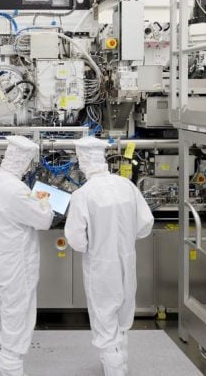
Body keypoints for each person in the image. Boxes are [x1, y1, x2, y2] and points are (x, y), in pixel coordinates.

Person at [64, 137, 154, 376]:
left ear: (83, 161)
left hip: (101, 266)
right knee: (123, 317)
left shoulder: (83, 195)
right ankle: (120, 364)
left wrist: (96, 242)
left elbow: (76, 241)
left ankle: (115, 369)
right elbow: (145, 225)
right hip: (127, 260)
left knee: (104, 320)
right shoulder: (127, 186)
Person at [0, 135, 53, 376]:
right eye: (28, 163)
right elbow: (43, 220)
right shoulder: (15, 189)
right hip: (16, 263)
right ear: (23, 162)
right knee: (17, 313)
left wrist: (32, 199)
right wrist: (45, 201)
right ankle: (11, 364)